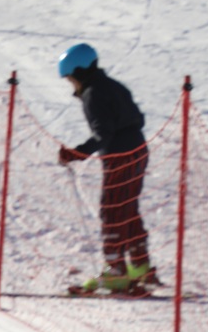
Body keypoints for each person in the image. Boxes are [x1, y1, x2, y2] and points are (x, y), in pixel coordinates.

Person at [54, 43, 158, 294]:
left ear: (78, 72)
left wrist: (76, 153)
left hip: (120, 156)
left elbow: (103, 133)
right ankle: (140, 266)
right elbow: (137, 119)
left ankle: (116, 271)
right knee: (128, 209)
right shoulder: (114, 86)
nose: (72, 85)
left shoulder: (93, 94)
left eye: (70, 79)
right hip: (138, 151)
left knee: (111, 211)